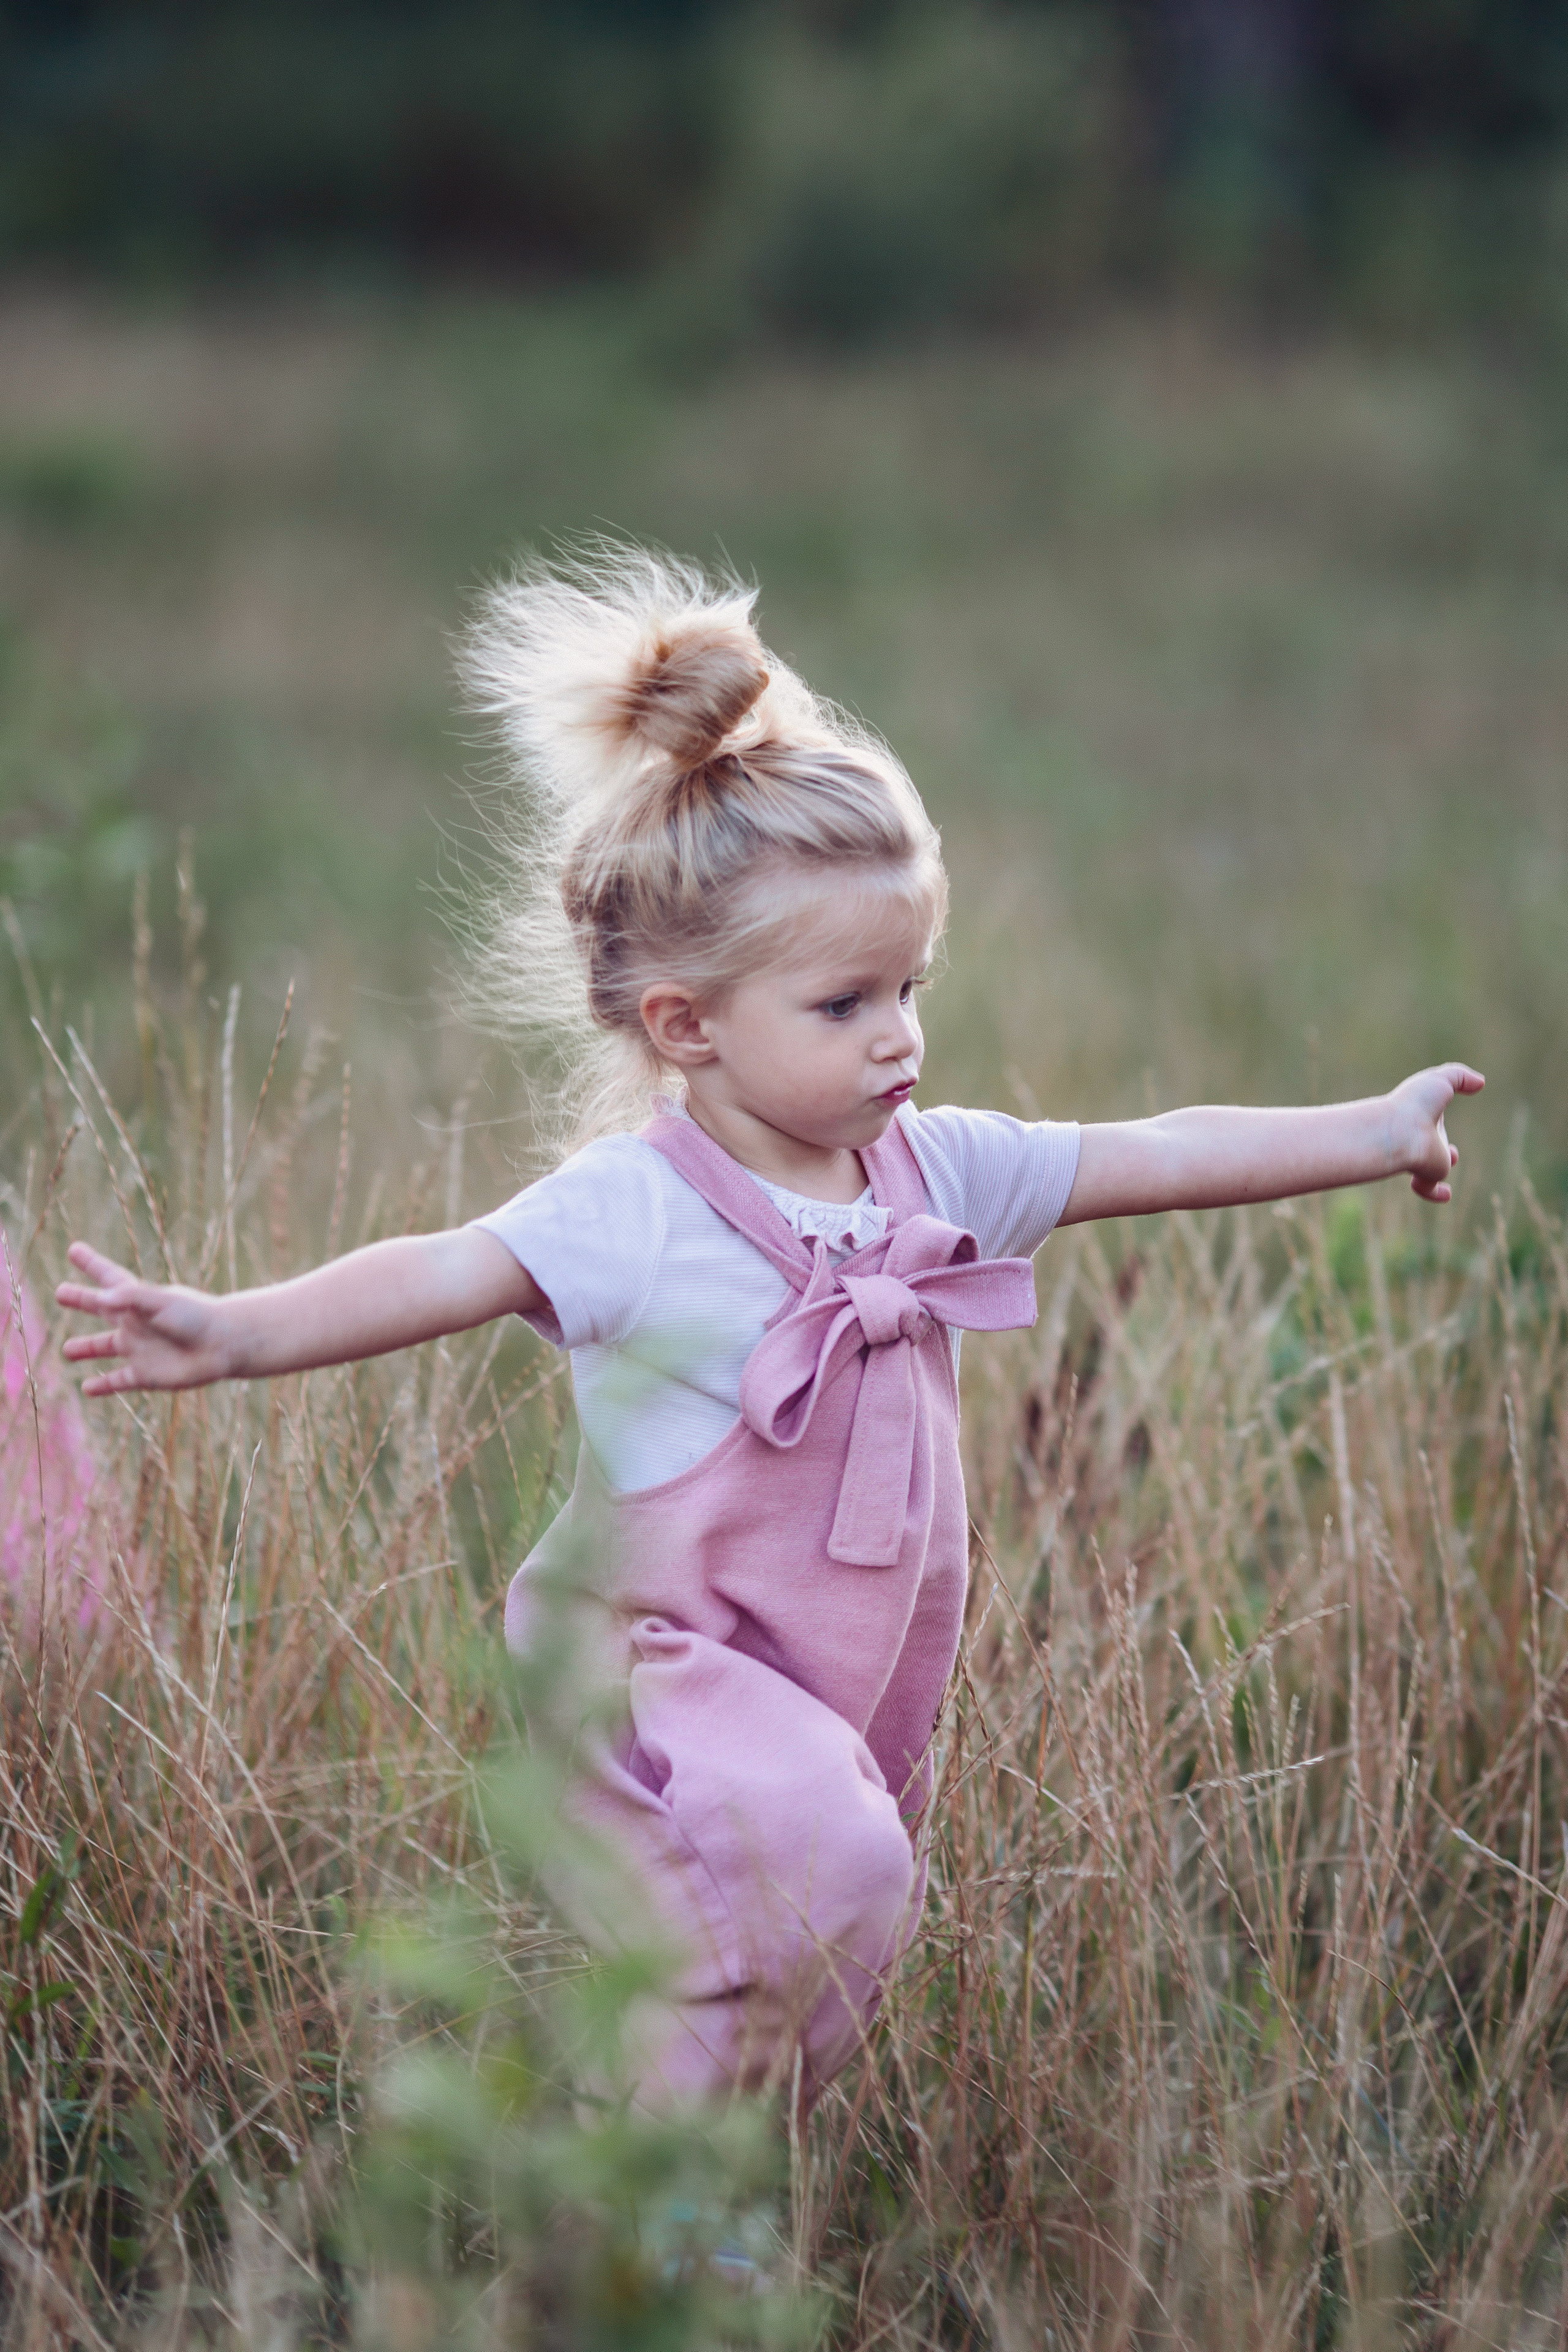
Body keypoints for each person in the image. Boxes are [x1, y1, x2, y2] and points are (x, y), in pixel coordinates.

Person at [57, 547, 1482, 2111]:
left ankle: (678, 2180)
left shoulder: (937, 1170)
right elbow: (436, 1269)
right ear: (686, 1026)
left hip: (828, 1687)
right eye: (845, 1004)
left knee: (806, 1939)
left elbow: (1155, 1150)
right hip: (651, 1673)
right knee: (837, 1864)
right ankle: (658, 2202)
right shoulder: (637, 1210)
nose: (901, 1036)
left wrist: (1375, 1126)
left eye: (910, 987)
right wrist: (229, 1332)